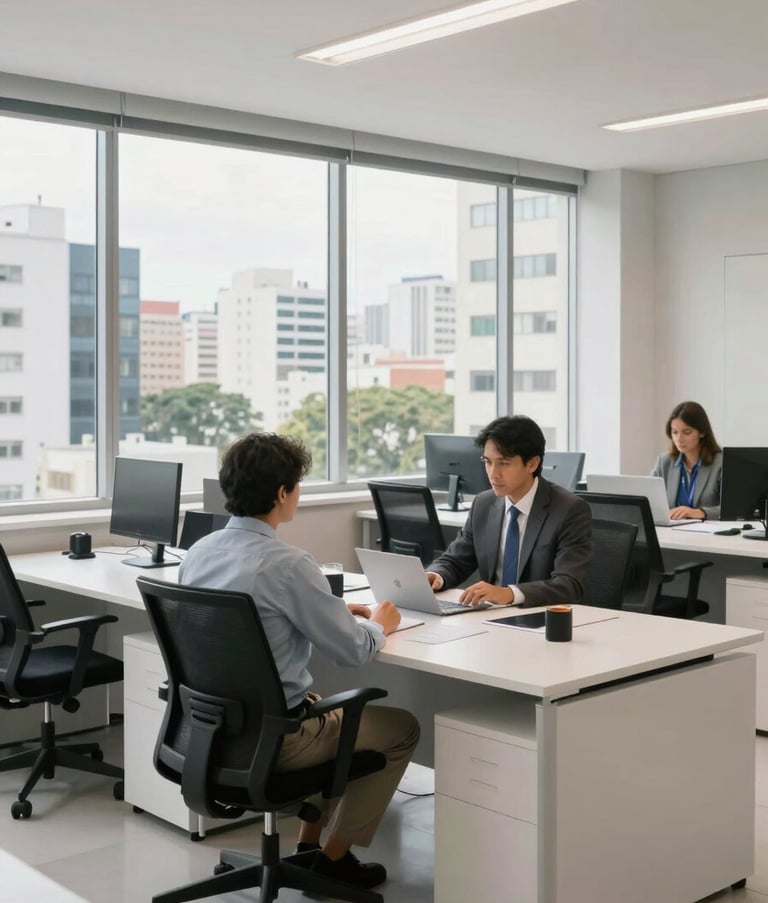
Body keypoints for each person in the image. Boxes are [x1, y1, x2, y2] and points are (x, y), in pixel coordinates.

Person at [178, 433, 419, 890]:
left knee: (320, 709)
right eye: (297, 485)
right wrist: (380, 624)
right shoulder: (288, 564)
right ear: (282, 493)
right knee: (401, 728)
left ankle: (309, 848)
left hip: (211, 732)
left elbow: (251, 621)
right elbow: (353, 652)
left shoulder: (198, 553)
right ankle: (332, 860)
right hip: (278, 740)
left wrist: (328, 612)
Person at [426, 415, 591, 607]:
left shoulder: (569, 510)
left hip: (538, 619)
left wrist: (510, 594)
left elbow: (569, 584)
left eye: (503, 463)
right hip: (488, 616)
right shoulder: (483, 504)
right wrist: (436, 575)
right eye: (488, 462)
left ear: (532, 464)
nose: (493, 473)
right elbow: (455, 560)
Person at [651, 400, 722, 521]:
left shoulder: (721, 463)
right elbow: (648, 499)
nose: (679, 439)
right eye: (674, 432)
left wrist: (700, 512)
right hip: (673, 531)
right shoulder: (664, 462)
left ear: (702, 432)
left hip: (709, 534)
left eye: (687, 432)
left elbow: (732, 509)